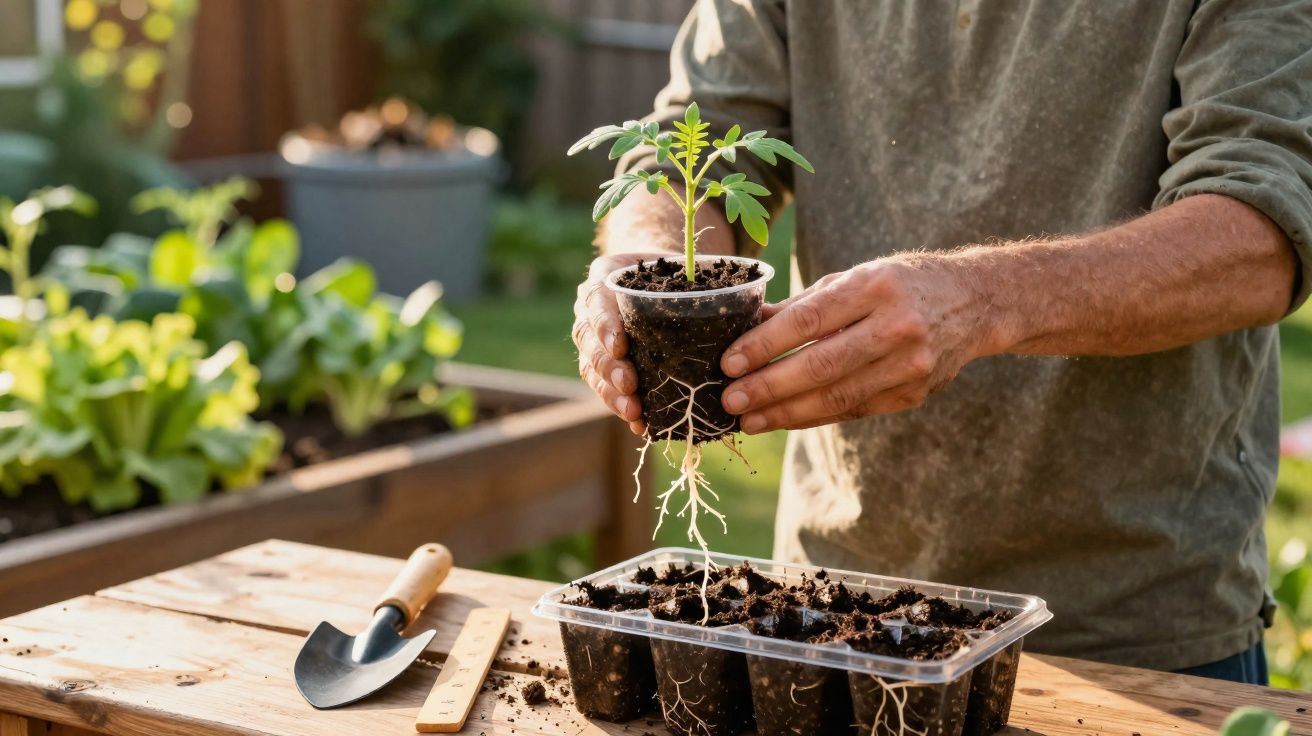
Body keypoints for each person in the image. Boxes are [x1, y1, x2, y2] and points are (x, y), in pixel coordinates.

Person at [571, 0, 1312, 684]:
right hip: (827, 606)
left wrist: (981, 302)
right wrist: (646, 262)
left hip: (1136, 627)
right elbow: (691, 149)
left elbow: (1263, 225)